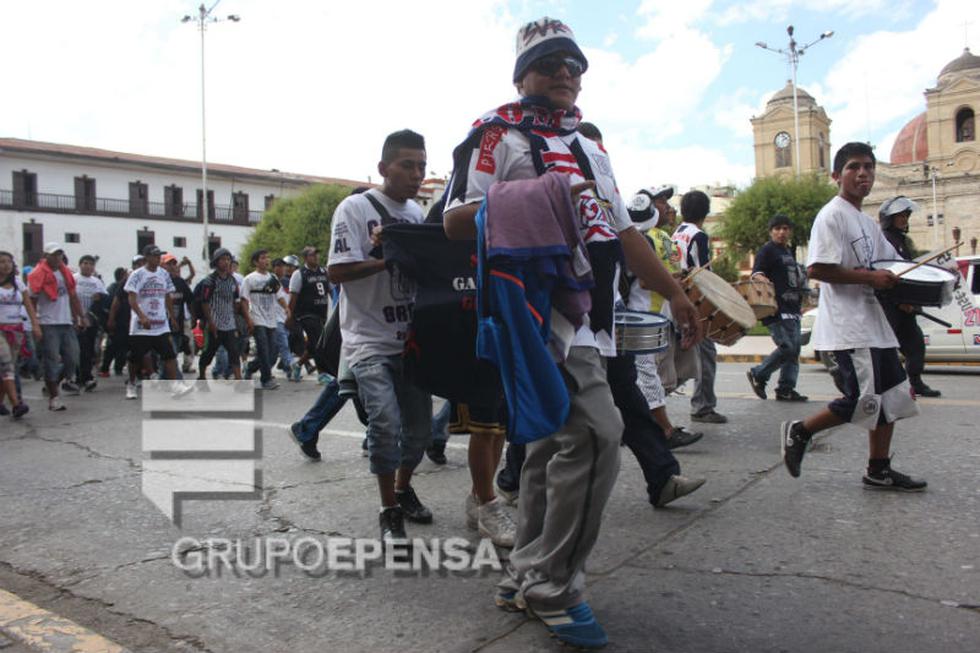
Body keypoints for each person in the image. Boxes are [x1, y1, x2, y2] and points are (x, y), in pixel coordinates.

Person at [443, 18, 702, 647]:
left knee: (549, 449)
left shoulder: (590, 146)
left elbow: (624, 233)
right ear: (521, 75)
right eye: (550, 62)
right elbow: (454, 220)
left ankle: (524, 574)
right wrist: (547, 195)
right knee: (595, 436)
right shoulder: (494, 136)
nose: (565, 72)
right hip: (536, 314)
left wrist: (675, 293)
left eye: (575, 63)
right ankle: (553, 586)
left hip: (595, 318)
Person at [781, 142, 926, 492]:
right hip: (849, 328)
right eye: (853, 167)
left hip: (876, 326)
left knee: (892, 398)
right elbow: (817, 268)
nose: (863, 173)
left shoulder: (866, 222)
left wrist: (924, 279)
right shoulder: (831, 215)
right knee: (864, 400)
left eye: (869, 167)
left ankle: (878, 469)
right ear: (837, 175)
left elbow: (891, 265)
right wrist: (871, 278)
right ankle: (800, 431)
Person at [328, 129, 434, 545]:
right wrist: (383, 258)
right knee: (385, 422)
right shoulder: (354, 208)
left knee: (420, 432)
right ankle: (388, 510)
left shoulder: (417, 215)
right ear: (383, 167)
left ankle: (404, 489)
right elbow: (337, 272)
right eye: (407, 165)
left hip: (410, 340)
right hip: (367, 340)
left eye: (422, 166)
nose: (416, 174)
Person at [626, 186, 703, 448]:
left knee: (650, 376)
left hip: (654, 317)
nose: (668, 207)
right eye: (661, 202)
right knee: (647, 375)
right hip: (641, 318)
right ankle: (664, 431)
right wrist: (673, 285)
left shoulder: (654, 238)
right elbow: (645, 280)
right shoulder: (643, 240)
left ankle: (640, 426)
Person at [878, 196, 941, 397]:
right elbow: (885, 271)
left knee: (915, 344)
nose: (904, 219)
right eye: (900, 216)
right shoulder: (884, 240)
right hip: (889, 305)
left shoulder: (902, 241)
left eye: (906, 215)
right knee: (887, 348)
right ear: (889, 218)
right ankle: (887, 387)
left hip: (905, 304)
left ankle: (915, 382)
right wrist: (898, 300)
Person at [673, 190, 727, 424]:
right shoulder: (699, 236)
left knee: (681, 354)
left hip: (675, 298)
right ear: (706, 212)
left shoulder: (675, 233)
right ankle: (703, 406)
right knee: (705, 354)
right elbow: (705, 274)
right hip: (695, 302)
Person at [746, 214, 809, 402]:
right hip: (776, 309)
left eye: (785, 228)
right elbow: (756, 273)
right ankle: (759, 373)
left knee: (794, 350)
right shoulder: (767, 250)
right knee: (787, 348)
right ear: (771, 231)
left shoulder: (788, 251)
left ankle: (786, 389)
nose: (781, 232)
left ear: (790, 231)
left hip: (793, 308)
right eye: (777, 228)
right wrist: (763, 280)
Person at [27, 243, 85, 411]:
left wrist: (81, 316)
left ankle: (54, 382)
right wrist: (34, 324)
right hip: (47, 322)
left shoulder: (65, 273)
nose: (57, 257)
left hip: (66, 321)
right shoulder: (37, 274)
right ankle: (54, 397)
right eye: (54, 254)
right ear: (46, 256)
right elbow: (31, 300)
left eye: (60, 254)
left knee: (73, 358)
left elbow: (73, 296)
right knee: (51, 360)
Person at [197, 248, 249, 381]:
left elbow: (236, 300)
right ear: (216, 262)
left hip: (229, 324)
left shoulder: (232, 281)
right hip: (215, 324)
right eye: (223, 259)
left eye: (228, 259)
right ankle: (201, 376)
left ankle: (238, 380)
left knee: (234, 352)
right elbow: (204, 302)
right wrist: (210, 322)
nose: (226, 262)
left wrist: (235, 318)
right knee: (208, 353)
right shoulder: (210, 281)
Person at [1, 251, 41, 419]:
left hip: (16, 329)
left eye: (8, 262)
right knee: (7, 365)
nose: (6, 265)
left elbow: (29, 305)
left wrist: (35, 325)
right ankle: (17, 404)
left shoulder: (18, 283)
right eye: (2, 262)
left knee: (8, 367)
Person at [242, 249, 288, 390]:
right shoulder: (249, 279)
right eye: (263, 258)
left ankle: (250, 367)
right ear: (256, 262)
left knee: (273, 352)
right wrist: (248, 318)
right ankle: (266, 379)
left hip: (271, 319)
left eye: (267, 257)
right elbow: (244, 300)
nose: (266, 260)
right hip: (257, 318)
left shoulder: (272, 278)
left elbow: (279, 296)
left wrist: (286, 308)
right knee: (263, 348)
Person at [288, 246, 331, 382]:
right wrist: (290, 316)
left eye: (317, 254)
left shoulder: (324, 271)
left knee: (313, 344)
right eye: (312, 255)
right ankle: (322, 373)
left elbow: (330, 290)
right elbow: (293, 297)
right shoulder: (299, 274)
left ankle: (298, 364)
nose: (316, 257)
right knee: (319, 342)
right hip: (306, 314)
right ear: (305, 258)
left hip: (321, 313)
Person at [74, 254, 107, 392]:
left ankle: (85, 377)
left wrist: (99, 298)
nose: (88, 266)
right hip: (76, 319)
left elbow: (105, 298)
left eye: (91, 264)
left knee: (89, 350)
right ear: (80, 264)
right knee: (78, 350)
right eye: (85, 263)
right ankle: (78, 377)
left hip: (91, 321)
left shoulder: (97, 282)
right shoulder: (74, 279)